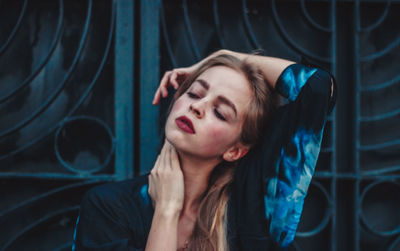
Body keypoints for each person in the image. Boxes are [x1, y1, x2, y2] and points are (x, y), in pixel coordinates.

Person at [72, 49, 336, 251]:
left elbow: (317, 88)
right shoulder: (107, 208)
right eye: (195, 94)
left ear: (235, 150)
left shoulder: (250, 207)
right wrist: (166, 210)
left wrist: (224, 55)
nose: (197, 107)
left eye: (220, 113)